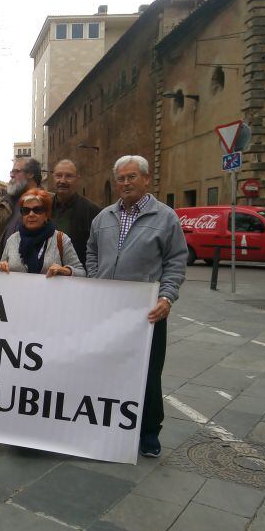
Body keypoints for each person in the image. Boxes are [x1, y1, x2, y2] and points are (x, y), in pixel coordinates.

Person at [86, 155, 187, 459]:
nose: (126, 183)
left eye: (132, 177)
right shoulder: (103, 217)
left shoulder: (166, 217)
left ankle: (148, 432)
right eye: (120, 178)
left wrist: (166, 298)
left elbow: (175, 261)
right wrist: (94, 280)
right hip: (106, 309)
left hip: (147, 312)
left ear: (146, 179)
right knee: (105, 367)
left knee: (147, 372)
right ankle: (106, 425)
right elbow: (91, 252)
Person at [0, 189, 85, 277]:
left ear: (46, 215)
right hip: (17, 291)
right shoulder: (12, 240)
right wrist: (0, 267)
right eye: (26, 211)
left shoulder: (61, 239)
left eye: (37, 210)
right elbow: (2, 268)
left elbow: (81, 272)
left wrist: (66, 271)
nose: (31, 214)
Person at [0, 157, 42, 261]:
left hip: (35, 273)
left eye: (16, 171)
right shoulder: (1, 205)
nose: (11, 175)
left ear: (30, 174)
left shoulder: (48, 203)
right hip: (2, 272)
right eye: (12, 171)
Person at [50, 159, 101, 267]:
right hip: (46, 277)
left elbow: (97, 252)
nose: (62, 181)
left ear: (77, 179)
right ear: (53, 177)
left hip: (79, 278)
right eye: (58, 175)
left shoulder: (93, 212)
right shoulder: (41, 209)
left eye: (68, 176)